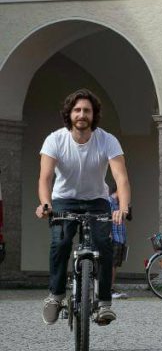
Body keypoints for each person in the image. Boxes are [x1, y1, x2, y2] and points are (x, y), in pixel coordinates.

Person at [36, 88, 131, 326]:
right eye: (77, 110)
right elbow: (45, 178)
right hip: (64, 200)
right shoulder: (55, 139)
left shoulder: (107, 140)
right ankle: (56, 296)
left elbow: (121, 177)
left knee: (105, 246)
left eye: (86, 110)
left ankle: (104, 304)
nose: (81, 114)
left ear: (93, 114)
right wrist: (46, 203)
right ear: (69, 114)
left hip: (97, 201)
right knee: (61, 242)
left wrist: (123, 207)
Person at [108, 183, 129, 300]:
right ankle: (108, 290)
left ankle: (110, 288)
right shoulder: (109, 201)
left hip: (120, 237)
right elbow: (106, 218)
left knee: (115, 265)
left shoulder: (120, 204)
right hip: (113, 237)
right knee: (111, 264)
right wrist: (108, 234)